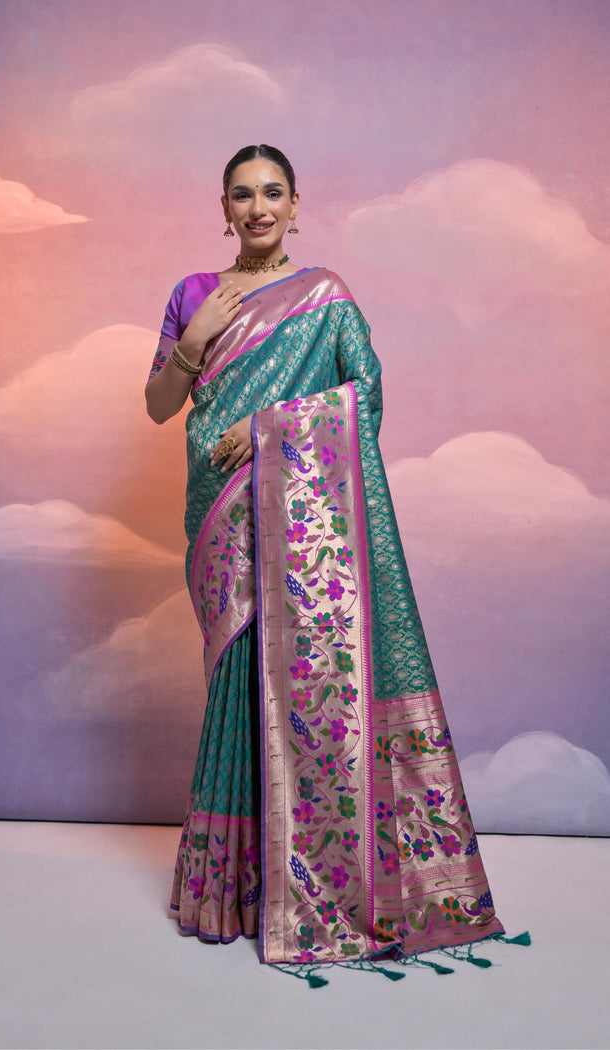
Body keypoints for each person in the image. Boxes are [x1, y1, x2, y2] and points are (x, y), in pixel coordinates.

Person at [146, 144, 518, 982]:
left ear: (296, 204)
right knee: (237, 679)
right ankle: (234, 892)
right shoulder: (192, 294)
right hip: (219, 514)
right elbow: (160, 405)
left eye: (272, 192)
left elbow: (366, 395)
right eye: (242, 194)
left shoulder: (326, 295)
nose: (258, 207)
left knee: (297, 682)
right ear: (223, 208)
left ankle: (304, 886)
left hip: (296, 515)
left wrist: (269, 428)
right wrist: (193, 342)